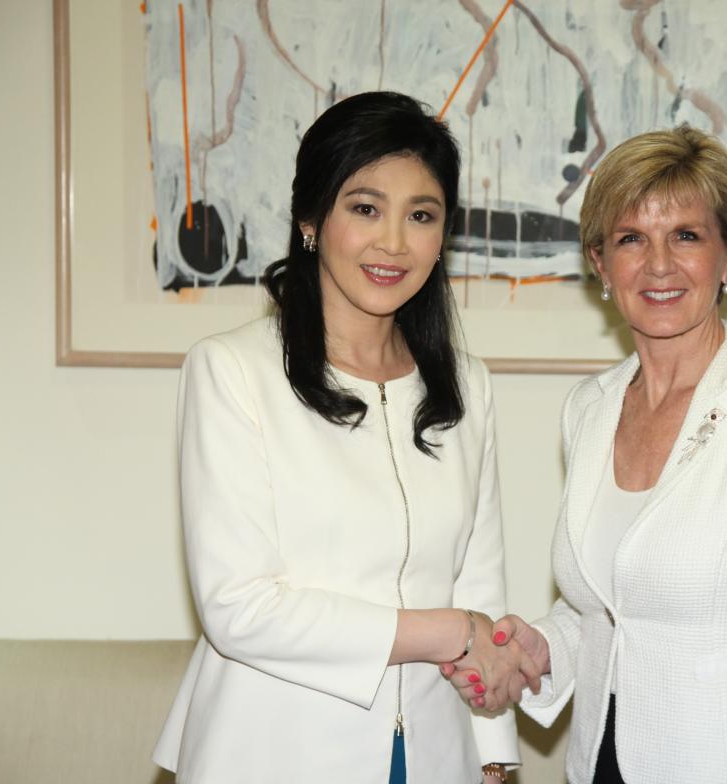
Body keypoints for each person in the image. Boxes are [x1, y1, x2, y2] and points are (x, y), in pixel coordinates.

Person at [445, 126, 727, 784]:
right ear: (600, 263)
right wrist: (541, 647)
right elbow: (608, 609)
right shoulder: (589, 408)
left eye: (687, 236)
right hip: (600, 764)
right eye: (631, 239)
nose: (660, 264)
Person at [152, 92, 536, 784]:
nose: (393, 242)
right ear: (310, 219)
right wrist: (449, 631)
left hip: (432, 754)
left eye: (421, 215)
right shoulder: (232, 370)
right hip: (271, 751)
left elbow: (481, 584)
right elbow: (239, 606)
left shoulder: (467, 387)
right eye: (365, 208)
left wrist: (494, 753)